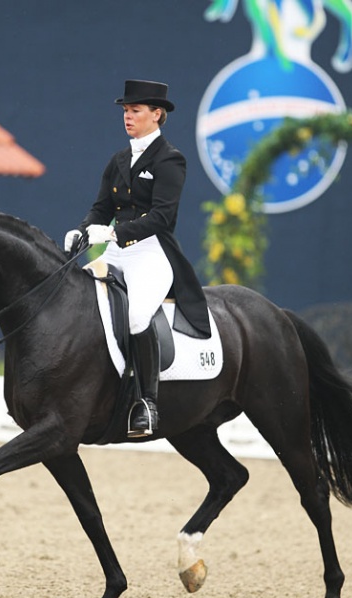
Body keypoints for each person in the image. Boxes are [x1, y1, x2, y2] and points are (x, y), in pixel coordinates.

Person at [64, 79, 211, 437]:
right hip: (115, 250)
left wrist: (114, 233)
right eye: (126, 112)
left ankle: (147, 403)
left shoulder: (170, 159)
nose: (127, 117)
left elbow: (162, 216)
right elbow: (101, 208)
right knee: (80, 304)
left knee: (135, 317)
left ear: (156, 115)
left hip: (151, 253)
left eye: (135, 111)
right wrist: (83, 230)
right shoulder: (119, 159)